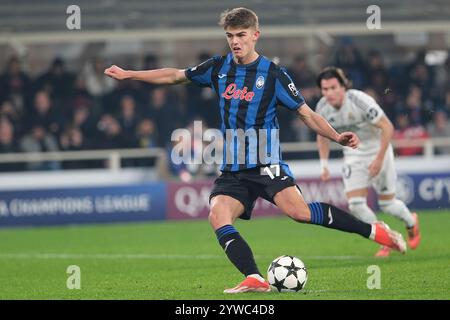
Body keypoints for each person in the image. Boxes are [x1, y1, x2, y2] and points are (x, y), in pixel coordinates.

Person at [105, 7, 406, 293]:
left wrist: (337, 137)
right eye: (230, 36)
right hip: (233, 169)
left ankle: (374, 231)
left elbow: (306, 114)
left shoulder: (274, 74)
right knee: (217, 214)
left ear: (255, 35)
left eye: (241, 35)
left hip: (266, 164)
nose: (235, 42)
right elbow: (175, 75)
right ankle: (254, 277)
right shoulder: (218, 67)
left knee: (300, 214)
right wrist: (130, 74)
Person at [315, 67, 421, 257]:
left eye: (333, 88)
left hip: (378, 148)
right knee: (355, 204)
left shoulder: (359, 100)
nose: (329, 93)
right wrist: (324, 165)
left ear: (343, 86)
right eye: (325, 89)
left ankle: (411, 222)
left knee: (387, 204)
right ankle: (386, 239)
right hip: (353, 154)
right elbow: (322, 136)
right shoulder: (322, 107)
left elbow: (388, 127)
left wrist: (379, 159)